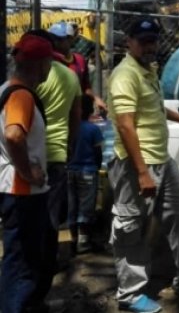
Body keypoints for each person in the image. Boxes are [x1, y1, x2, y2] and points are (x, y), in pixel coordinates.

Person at [107, 18, 179, 313]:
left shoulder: (148, 71)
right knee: (132, 227)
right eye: (143, 41)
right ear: (128, 42)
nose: (150, 46)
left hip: (161, 160)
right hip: (136, 163)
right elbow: (126, 125)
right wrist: (142, 172)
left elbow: (154, 107)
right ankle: (130, 295)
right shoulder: (125, 75)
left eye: (153, 40)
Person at [0, 33, 54, 313]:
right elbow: (13, 136)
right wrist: (29, 172)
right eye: (49, 62)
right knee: (22, 262)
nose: (50, 68)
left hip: (15, 190)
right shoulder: (21, 95)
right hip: (23, 192)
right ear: (40, 63)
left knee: (23, 257)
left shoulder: (5, 89)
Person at [31, 28, 82, 276]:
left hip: (28, 155)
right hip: (58, 153)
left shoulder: (32, 77)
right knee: (52, 215)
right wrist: (69, 144)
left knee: (25, 214)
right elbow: (76, 116)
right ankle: (49, 261)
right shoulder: (70, 76)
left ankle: (32, 263)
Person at [67, 94, 104, 255]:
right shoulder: (93, 129)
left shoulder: (69, 127)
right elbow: (98, 153)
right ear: (90, 110)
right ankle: (84, 242)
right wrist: (96, 167)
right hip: (88, 171)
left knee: (72, 206)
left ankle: (73, 241)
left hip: (69, 171)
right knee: (86, 207)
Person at [49, 21, 107, 112]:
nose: (55, 42)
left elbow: (85, 87)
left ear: (70, 39)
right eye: (52, 39)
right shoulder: (49, 61)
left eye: (60, 39)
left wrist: (96, 99)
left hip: (76, 110)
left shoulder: (80, 60)